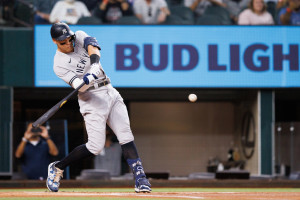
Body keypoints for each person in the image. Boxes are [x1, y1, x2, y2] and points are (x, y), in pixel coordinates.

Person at [46, 22, 151, 193]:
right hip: (90, 98)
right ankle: (58, 166)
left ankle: (141, 178)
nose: (69, 43)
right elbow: (80, 86)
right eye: (63, 42)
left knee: (125, 135)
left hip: (109, 90)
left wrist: (94, 66)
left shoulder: (78, 35)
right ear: (55, 42)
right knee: (95, 147)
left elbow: (93, 47)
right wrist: (85, 81)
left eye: (69, 39)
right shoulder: (58, 64)